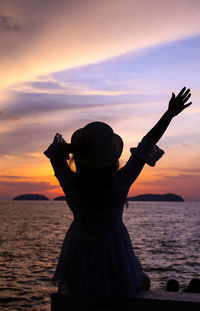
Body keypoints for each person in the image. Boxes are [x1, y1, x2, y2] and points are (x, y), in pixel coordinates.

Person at [44, 87, 191, 302]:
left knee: (80, 295)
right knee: (139, 283)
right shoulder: (119, 183)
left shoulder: (72, 184)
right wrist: (169, 114)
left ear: (79, 156)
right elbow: (146, 145)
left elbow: (54, 153)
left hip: (80, 254)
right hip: (115, 253)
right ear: (112, 157)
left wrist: (73, 147)